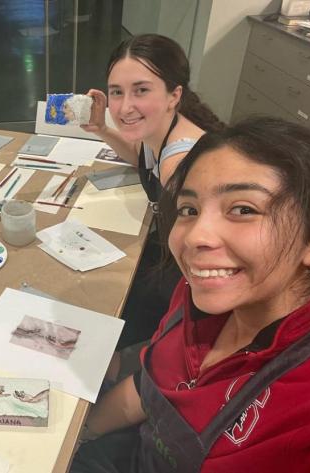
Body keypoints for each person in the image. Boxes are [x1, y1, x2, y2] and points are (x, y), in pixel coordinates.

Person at [71, 117, 310, 473]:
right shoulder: (196, 296)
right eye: (189, 210)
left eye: (243, 209)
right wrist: (78, 437)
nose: (194, 238)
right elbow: (150, 386)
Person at [82, 34, 225, 359]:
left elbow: (205, 253)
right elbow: (141, 157)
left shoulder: (180, 163)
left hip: (184, 287)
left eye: (141, 90)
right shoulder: (161, 130)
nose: (123, 107)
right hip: (165, 261)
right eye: (117, 92)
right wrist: (103, 130)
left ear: (174, 94)